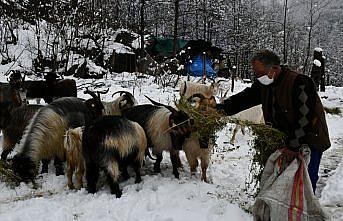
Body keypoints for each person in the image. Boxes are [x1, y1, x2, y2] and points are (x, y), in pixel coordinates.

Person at [216, 49, 331, 193]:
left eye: (259, 73)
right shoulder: (264, 84)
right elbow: (244, 99)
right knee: (283, 181)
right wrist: (219, 109)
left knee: (304, 182)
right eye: (255, 74)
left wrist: (293, 145)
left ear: (275, 69)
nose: (257, 77)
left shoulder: (299, 82)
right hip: (286, 139)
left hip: (310, 139)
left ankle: (304, 213)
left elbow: (305, 117)